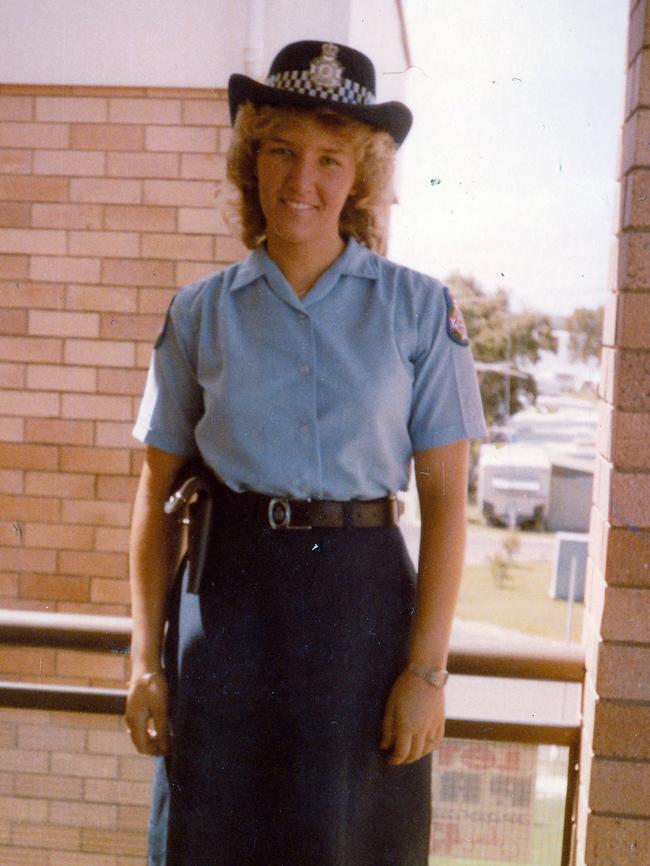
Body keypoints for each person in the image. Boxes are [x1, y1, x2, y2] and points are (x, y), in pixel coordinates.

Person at [126, 39, 486, 866]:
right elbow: (152, 500)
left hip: (361, 613)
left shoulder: (419, 312)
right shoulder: (199, 315)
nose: (302, 180)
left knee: (344, 842)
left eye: (329, 159)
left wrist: (425, 674)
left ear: (359, 178)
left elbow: (445, 507)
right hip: (226, 607)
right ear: (251, 164)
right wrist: (145, 661)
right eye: (281, 151)